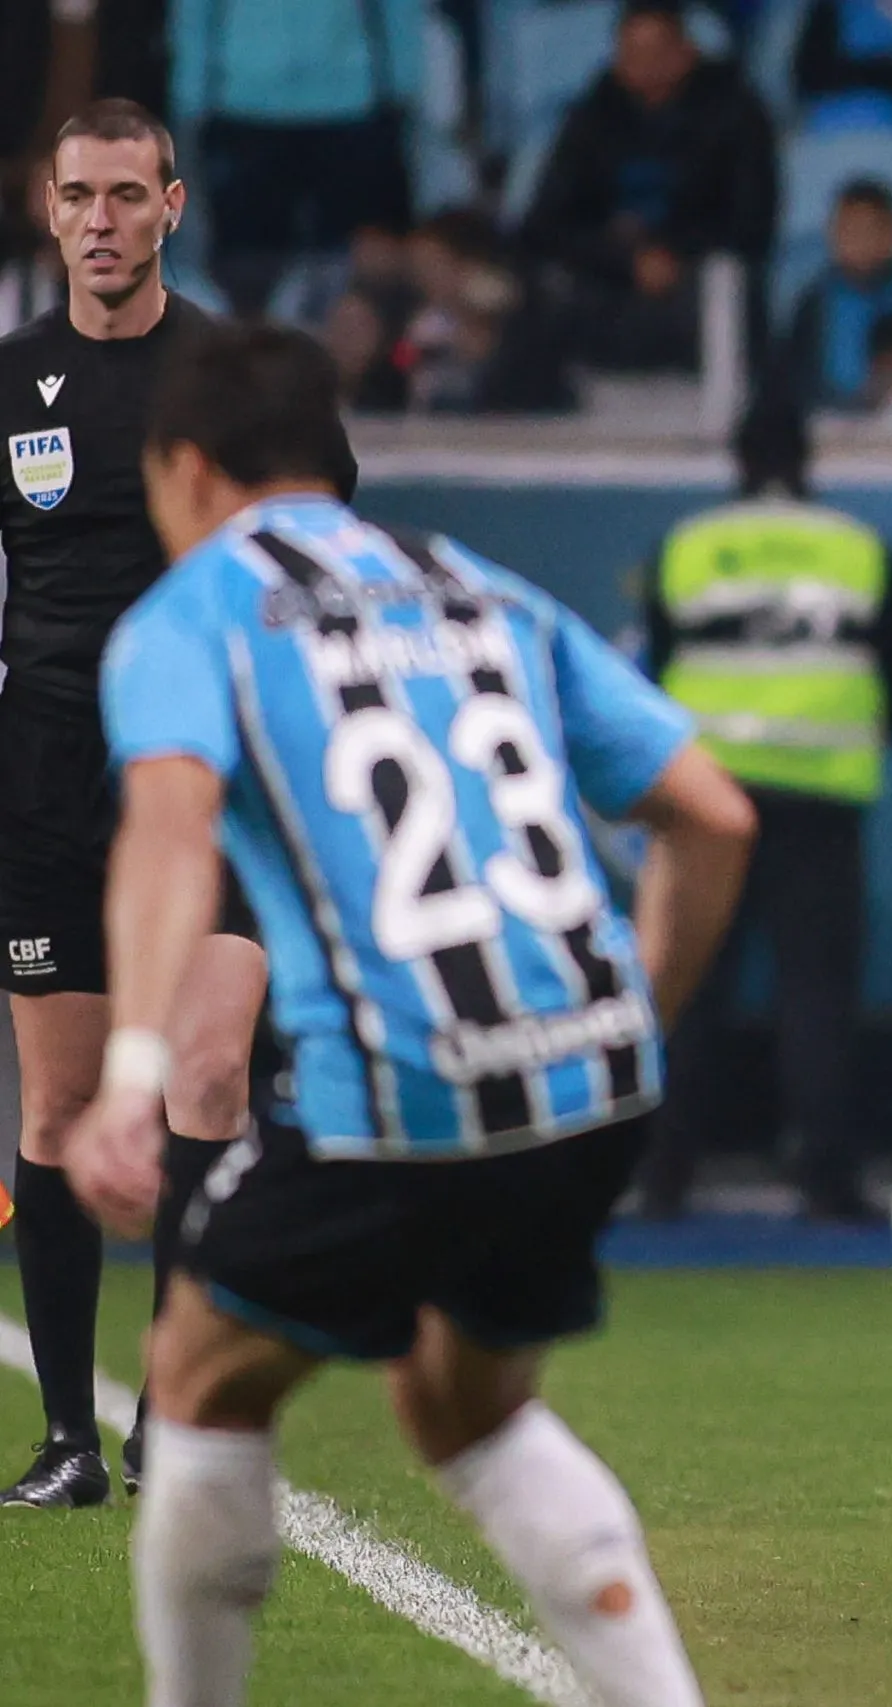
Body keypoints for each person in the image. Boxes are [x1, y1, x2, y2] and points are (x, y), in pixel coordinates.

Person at [65, 319, 757, 1706]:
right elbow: (713, 810)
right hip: (594, 1075)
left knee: (197, 1372)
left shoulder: (191, 613)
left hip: (406, 1083)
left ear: (186, 468)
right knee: (469, 1401)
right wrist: (637, 1013)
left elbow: (167, 826)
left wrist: (129, 1072)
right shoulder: (480, 586)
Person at [0, 100, 272, 1508]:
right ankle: (66, 1438)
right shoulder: (9, 383)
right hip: (42, 789)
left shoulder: (235, 381)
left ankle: (178, 1416)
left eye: (127, 193)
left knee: (206, 1082)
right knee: (52, 1110)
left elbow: (305, 571)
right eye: (77, 196)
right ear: (48, 211)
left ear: (173, 204)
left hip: (206, 783)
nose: (100, 219)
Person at [637, 399, 892, 1220]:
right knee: (817, 994)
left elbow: (653, 675)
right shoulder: (860, 549)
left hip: (706, 799)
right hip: (823, 797)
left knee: (685, 984)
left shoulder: (688, 547)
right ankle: (825, 1179)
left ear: (737, 459)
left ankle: (662, 1177)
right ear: (807, 455)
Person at [522, 0, 779, 372]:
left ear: (684, 52)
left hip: (695, 269)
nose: (643, 64)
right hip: (609, 271)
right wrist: (627, 259)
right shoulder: (592, 117)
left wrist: (675, 254)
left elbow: (751, 220)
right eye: (631, 52)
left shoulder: (737, 115)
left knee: (722, 286)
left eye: (654, 52)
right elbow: (546, 222)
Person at [166, 0, 423, 316]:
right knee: (246, 272)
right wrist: (190, 96)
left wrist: (403, 82)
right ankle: (251, 357)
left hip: (351, 99)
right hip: (243, 102)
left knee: (360, 270)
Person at [776, 179, 892, 412]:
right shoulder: (813, 301)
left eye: (867, 230)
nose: (857, 242)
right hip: (826, 422)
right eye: (847, 230)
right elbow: (793, 374)